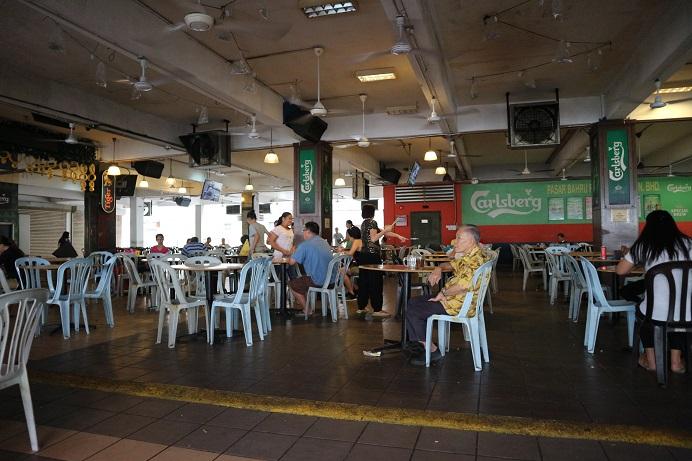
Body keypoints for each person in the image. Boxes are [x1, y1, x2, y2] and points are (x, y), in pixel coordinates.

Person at [616, 210, 692, 374]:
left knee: (643, 313)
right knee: (678, 315)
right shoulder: (688, 243)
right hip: (688, 312)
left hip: (655, 312)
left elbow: (620, 270)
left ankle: (651, 361)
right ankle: (676, 362)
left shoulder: (643, 245)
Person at [406, 225, 492, 366]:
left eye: (459, 238)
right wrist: (438, 268)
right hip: (458, 300)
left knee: (414, 309)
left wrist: (443, 293)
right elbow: (451, 264)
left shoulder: (475, 260)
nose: (454, 242)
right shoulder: (471, 255)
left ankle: (431, 350)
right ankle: (420, 342)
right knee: (413, 302)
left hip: (458, 304)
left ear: (471, 240)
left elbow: (462, 287)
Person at [357, 203, 406, 317]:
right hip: (372, 256)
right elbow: (374, 238)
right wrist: (384, 231)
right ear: (372, 212)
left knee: (364, 282)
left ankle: (361, 307)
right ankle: (377, 309)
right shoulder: (372, 222)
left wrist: (398, 236)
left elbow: (384, 232)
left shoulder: (364, 223)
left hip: (363, 256)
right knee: (375, 282)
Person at [287, 221, 335, 316]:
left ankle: (307, 310)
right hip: (332, 280)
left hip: (318, 281)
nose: (303, 233)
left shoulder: (305, 245)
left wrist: (292, 252)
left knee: (292, 284)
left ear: (308, 231)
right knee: (302, 280)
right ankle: (308, 305)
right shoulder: (324, 242)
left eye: (303, 230)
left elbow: (291, 262)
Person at [338, 226, 363, 298]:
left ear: (352, 235)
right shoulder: (360, 240)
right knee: (345, 271)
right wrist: (344, 250)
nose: (348, 237)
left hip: (360, 267)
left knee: (341, 271)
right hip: (361, 265)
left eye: (348, 235)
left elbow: (350, 253)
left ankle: (351, 292)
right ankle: (355, 288)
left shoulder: (357, 241)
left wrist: (341, 251)